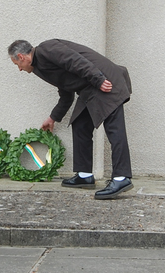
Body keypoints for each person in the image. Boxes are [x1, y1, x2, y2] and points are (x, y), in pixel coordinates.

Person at [8, 39, 133, 199]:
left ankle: (121, 178)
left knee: (114, 130)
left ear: (21, 56)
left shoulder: (47, 49)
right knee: (80, 123)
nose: (19, 69)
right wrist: (53, 117)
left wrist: (99, 80)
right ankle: (84, 174)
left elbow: (75, 61)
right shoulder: (40, 66)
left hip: (106, 81)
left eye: (17, 64)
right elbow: (66, 90)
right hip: (90, 87)